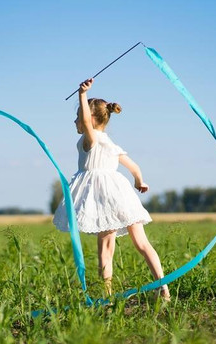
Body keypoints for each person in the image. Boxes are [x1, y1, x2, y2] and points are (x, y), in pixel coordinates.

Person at [53, 78, 170, 300]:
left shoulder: (92, 139)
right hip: (121, 194)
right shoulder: (110, 143)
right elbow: (133, 166)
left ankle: (106, 296)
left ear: (92, 118)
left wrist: (82, 95)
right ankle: (163, 288)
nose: (76, 121)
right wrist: (139, 181)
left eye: (78, 116)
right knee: (142, 243)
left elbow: (87, 124)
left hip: (103, 198)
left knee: (106, 247)